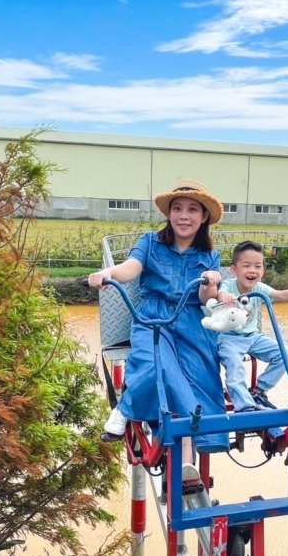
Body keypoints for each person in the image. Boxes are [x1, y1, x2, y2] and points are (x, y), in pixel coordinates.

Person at [88, 179, 228, 454]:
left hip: (190, 320)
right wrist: (108, 273)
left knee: (201, 375)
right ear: (169, 213)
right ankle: (126, 408)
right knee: (157, 364)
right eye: (177, 209)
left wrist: (211, 283)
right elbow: (131, 267)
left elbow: (205, 299)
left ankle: (190, 459)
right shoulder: (151, 241)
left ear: (204, 216)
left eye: (192, 210)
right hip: (154, 317)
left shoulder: (210, 255)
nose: (184, 216)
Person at [211, 241, 288, 412]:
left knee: (285, 354)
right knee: (235, 365)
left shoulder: (259, 287)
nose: (252, 270)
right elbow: (221, 294)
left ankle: (259, 390)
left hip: (252, 337)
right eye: (246, 266)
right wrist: (225, 298)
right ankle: (244, 407)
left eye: (257, 266)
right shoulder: (229, 285)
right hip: (230, 338)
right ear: (234, 270)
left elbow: (281, 294)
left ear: (262, 271)